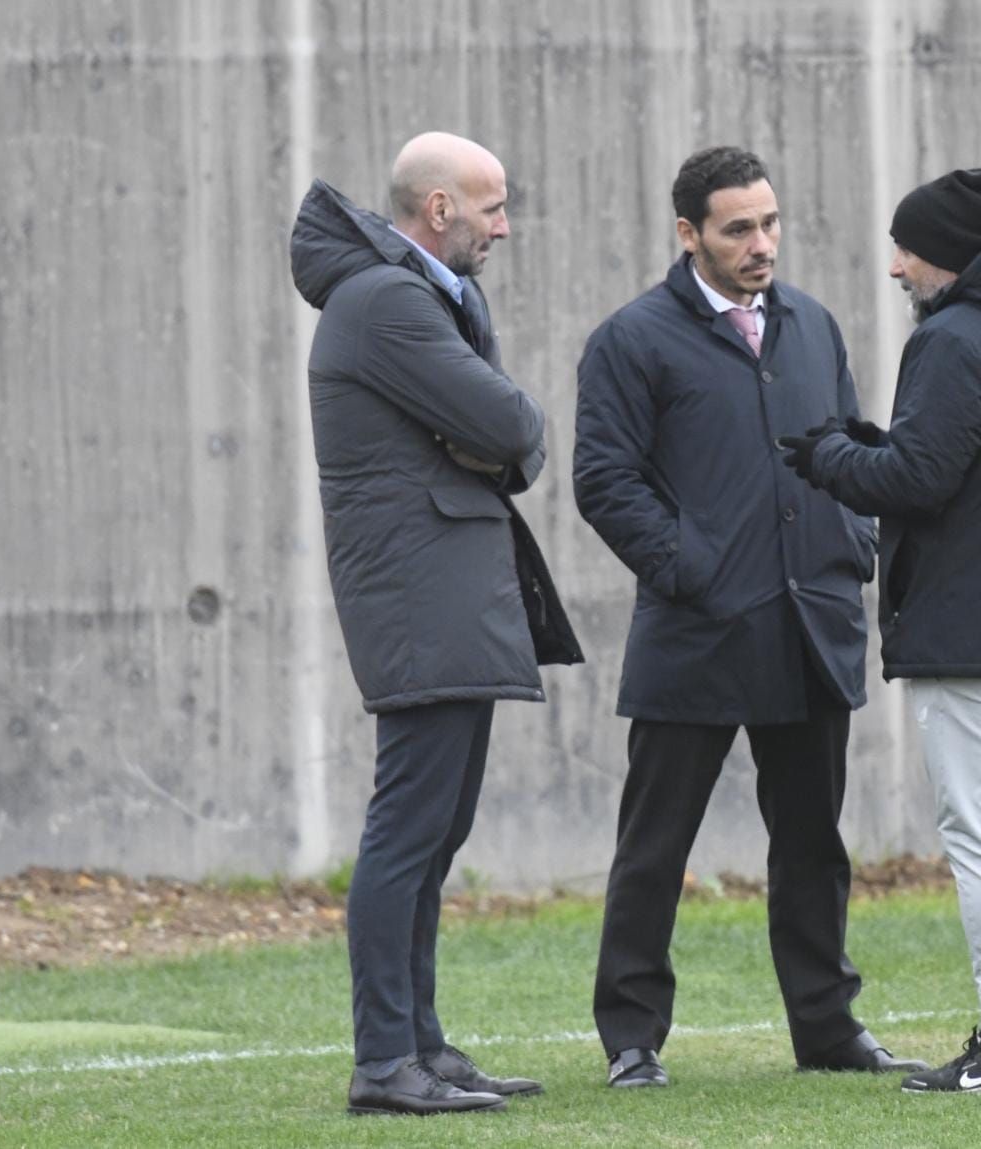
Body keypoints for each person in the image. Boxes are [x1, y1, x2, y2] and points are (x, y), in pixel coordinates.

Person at [573, 146, 926, 1088]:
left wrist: (852, 546)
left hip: (812, 626)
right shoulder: (631, 339)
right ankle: (632, 1037)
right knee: (654, 848)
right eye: (738, 229)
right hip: (696, 631)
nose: (761, 243)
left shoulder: (812, 324)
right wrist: (689, 567)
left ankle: (827, 1027)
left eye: (769, 223)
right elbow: (604, 480)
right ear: (688, 234)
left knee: (813, 844)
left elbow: (848, 446)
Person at [778, 166, 981, 1095]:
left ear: (950, 256)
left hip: (971, 628)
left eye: (908, 250)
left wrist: (829, 455)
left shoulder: (954, 336)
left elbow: (918, 481)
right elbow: (963, 467)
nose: (896, 267)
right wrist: (867, 445)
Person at [289, 131, 583, 1116]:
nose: (505, 226)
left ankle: (421, 1046)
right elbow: (512, 426)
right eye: (492, 207)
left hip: (445, 591)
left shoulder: (416, 296)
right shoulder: (387, 301)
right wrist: (497, 436)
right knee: (409, 829)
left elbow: (499, 435)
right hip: (422, 596)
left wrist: (493, 437)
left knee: (436, 829)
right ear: (440, 209)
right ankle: (385, 1062)